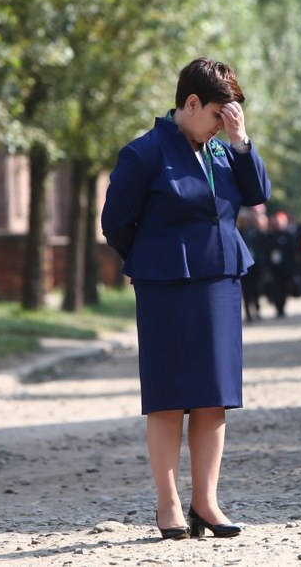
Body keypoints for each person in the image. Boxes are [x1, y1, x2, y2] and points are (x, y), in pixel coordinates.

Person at [101, 58, 270, 540]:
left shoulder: (222, 152)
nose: (224, 123)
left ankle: (207, 502)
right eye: (220, 113)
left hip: (219, 281)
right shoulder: (145, 153)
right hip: (167, 288)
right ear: (191, 103)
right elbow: (116, 222)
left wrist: (241, 142)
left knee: (214, 398)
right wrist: (152, 260)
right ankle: (168, 503)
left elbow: (257, 194)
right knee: (169, 398)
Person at [265, 211, 296, 317]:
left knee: (283, 289)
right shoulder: (269, 236)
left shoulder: (288, 236)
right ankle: (277, 307)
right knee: (275, 288)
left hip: (285, 267)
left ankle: (282, 307)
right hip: (274, 268)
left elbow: (292, 252)